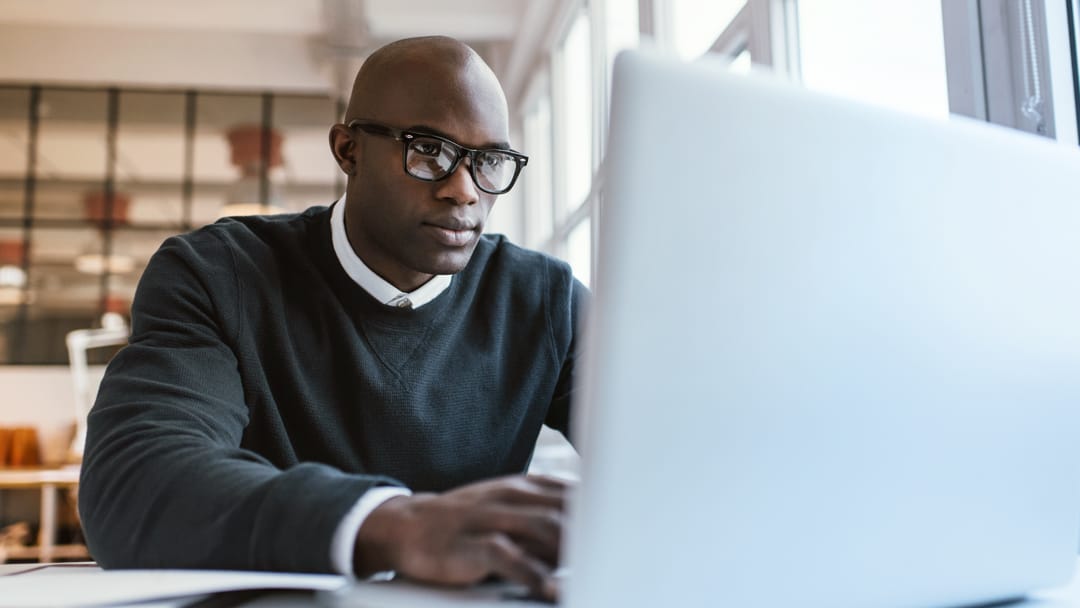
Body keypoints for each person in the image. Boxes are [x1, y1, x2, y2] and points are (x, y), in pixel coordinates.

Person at [78, 36, 586, 602]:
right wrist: (393, 525)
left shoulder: (546, 300)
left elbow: (678, 456)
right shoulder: (220, 276)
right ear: (348, 151)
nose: (464, 190)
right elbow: (133, 485)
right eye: (429, 151)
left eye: (489, 160)